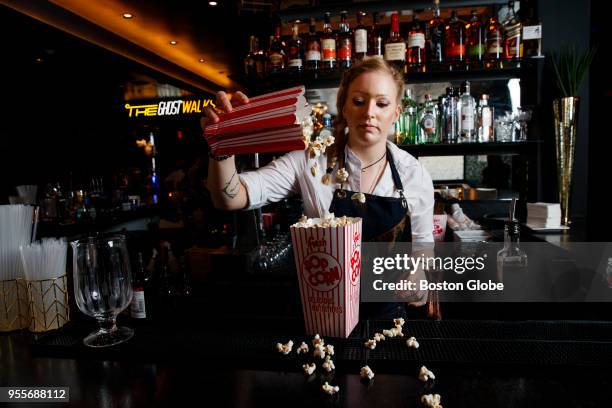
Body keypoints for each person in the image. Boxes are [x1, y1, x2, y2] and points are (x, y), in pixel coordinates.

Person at [202, 58, 434, 319]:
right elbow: (232, 198)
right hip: (323, 314)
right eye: (358, 101)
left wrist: (419, 278)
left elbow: (423, 249)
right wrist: (221, 146)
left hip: (388, 317)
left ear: (396, 113)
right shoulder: (310, 160)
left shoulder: (414, 174)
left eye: (382, 103)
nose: (369, 112)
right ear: (344, 107)